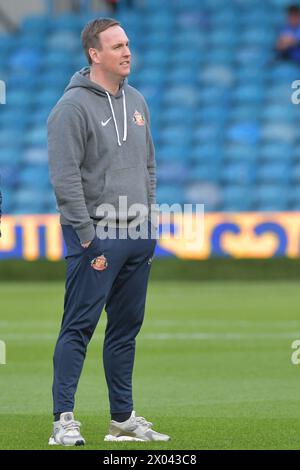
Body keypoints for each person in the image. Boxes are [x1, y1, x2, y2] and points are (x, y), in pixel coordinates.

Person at [47, 17, 170, 446]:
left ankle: (122, 420)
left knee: (124, 330)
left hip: (138, 234)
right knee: (78, 327)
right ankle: (63, 421)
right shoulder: (71, 108)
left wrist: (149, 219)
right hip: (96, 235)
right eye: (116, 46)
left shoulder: (137, 100)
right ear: (94, 54)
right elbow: (65, 179)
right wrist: (85, 234)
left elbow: (149, 164)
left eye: (128, 44)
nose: (126, 52)